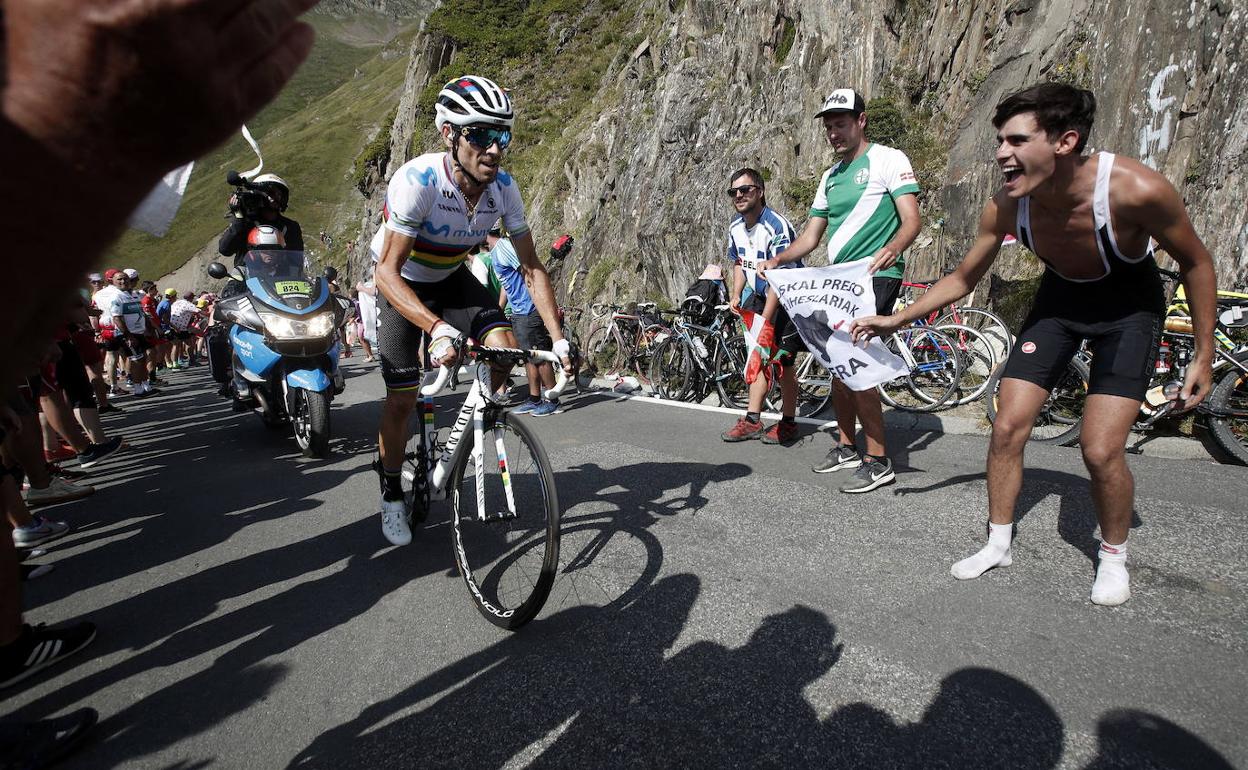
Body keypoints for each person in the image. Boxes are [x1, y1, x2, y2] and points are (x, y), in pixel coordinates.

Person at [0, 0, 319, 758]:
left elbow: (297, 263)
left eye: (275, 200)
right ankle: (228, 378)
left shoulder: (295, 226)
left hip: (290, 288)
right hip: (247, 289)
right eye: (266, 199)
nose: (272, 205)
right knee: (224, 326)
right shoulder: (243, 224)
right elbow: (232, 255)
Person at [850, 83, 1217, 606]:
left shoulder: (1135, 190)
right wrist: (897, 318)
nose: (1002, 152)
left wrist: (1202, 354)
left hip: (1128, 312)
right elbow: (961, 278)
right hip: (1059, 306)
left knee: (1098, 447)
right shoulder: (1005, 206)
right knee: (1006, 425)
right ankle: (998, 542)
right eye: (1000, 140)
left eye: (1017, 140)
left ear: (1065, 141)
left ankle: (1113, 555)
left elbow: (1197, 261)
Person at [371, 75, 573, 547]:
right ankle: (391, 491)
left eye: (502, 136)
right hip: (404, 286)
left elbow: (531, 268)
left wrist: (558, 339)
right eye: (480, 135)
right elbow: (386, 273)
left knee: (504, 353)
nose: (495, 149)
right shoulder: (419, 180)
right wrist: (438, 328)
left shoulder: (504, 188)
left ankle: (471, 422)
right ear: (449, 134)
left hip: (452, 278)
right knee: (401, 398)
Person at [758, 89, 921, 493]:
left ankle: (879, 458)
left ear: (861, 121)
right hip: (840, 282)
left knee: (858, 364)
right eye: (829, 126)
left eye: (841, 123)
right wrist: (779, 260)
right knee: (837, 363)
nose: (834, 132)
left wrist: (894, 247)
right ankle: (848, 445)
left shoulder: (888, 159)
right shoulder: (830, 178)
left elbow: (912, 220)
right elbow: (811, 237)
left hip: (877, 276)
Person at [719, 168, 805, 445]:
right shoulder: (735, 226)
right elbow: (739, 262)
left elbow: (779, 279)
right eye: (734, 192)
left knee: (783, 363)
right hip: (757, 296)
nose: (739, 196)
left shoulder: (776, 226)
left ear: (760, 191)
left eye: (745, 190)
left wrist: (765, 323)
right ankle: (753, 420)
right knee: (757, 357)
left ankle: (789, 422)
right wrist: (736, 295)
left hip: (786, 299)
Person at [488, 227, 561, 416]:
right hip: (519, 311)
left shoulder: (503, 247)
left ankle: (552, 399)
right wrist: (499, 309)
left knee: (540, 355)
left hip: (529, 309)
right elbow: (507, 284)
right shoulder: (496, 252)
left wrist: (537, 303)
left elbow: (527, 271)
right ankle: (534, 398)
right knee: (528, 356)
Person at [218, 174, 304, 265]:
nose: (275, 198)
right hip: (247, 276)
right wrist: (239, 216)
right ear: (257, 195)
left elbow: (297, 262)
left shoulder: (290, 227)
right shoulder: (245, 222)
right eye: (270, 193)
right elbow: (225, 250)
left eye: (279, 194)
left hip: (280, 276)